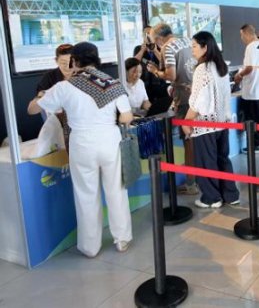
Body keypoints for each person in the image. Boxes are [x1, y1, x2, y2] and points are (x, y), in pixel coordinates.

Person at [28, 42, 133, 257]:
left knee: (86, 195)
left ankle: (90, 247)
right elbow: (126, 117)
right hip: (109, 140)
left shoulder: (64, 87)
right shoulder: (112, 83)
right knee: (116, 190)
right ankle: (122, 239)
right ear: (97, 59)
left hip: (81, 144)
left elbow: (32, 110)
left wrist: (41, 95)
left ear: (74, 61)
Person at [181, 32, 240, 208]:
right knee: (222, 159)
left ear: (205, 47)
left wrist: (187, 120)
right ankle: (230, 194)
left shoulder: (202, 69)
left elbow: (199, 100)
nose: (192, 50)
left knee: (206, 162)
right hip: (221, 121)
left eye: (194, 46)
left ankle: (212, 198)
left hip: (205, 123)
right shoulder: (220, 66)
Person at [147, 23, 198, 195]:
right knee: (199, 140)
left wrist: (155, 71)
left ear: (159, 39)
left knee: (188, 142)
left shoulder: (167, 48)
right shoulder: (187, 41)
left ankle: (191, 184)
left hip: (184, 99)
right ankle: (202, 179)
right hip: (198, 95)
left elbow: (171, 75)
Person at [27, 43, 74, 151]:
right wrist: (42, 96)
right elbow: (31, 109)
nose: (68, 67)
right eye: (63, 63)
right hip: (56, 121)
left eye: (71, 62)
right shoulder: (50, 77)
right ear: (56, 61)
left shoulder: (82, 77)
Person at [233, 24, 259, 151]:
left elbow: (249, 68)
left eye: (241, 35)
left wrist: (239, 75)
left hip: (251, 91)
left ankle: (255, 145)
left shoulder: (250, 47)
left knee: (251, 121)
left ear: (246, 33)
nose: (241, 38)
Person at [133, 25, 169, 103]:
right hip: (144, 83)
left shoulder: (160, 48)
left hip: (159, 82)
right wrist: (142, 50)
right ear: (143, 36)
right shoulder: (138, 48)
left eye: (150, 34)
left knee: (162, 104)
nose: (148, 36)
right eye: (146, 34)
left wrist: (155, 50)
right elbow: (133, 63)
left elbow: (165, 62)